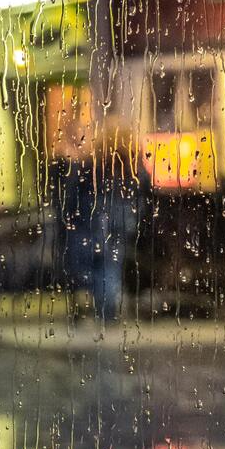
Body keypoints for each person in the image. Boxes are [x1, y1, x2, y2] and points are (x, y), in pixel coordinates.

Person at [49, 109, 143, 321]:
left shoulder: (91, 167)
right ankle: (105, 310)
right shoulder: (132, 167)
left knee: (91, 265)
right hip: (114, 225)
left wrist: (68, 217)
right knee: (108, 265)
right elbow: (140, 196)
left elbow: (71, 198)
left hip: (89, 224)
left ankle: (90, 307)